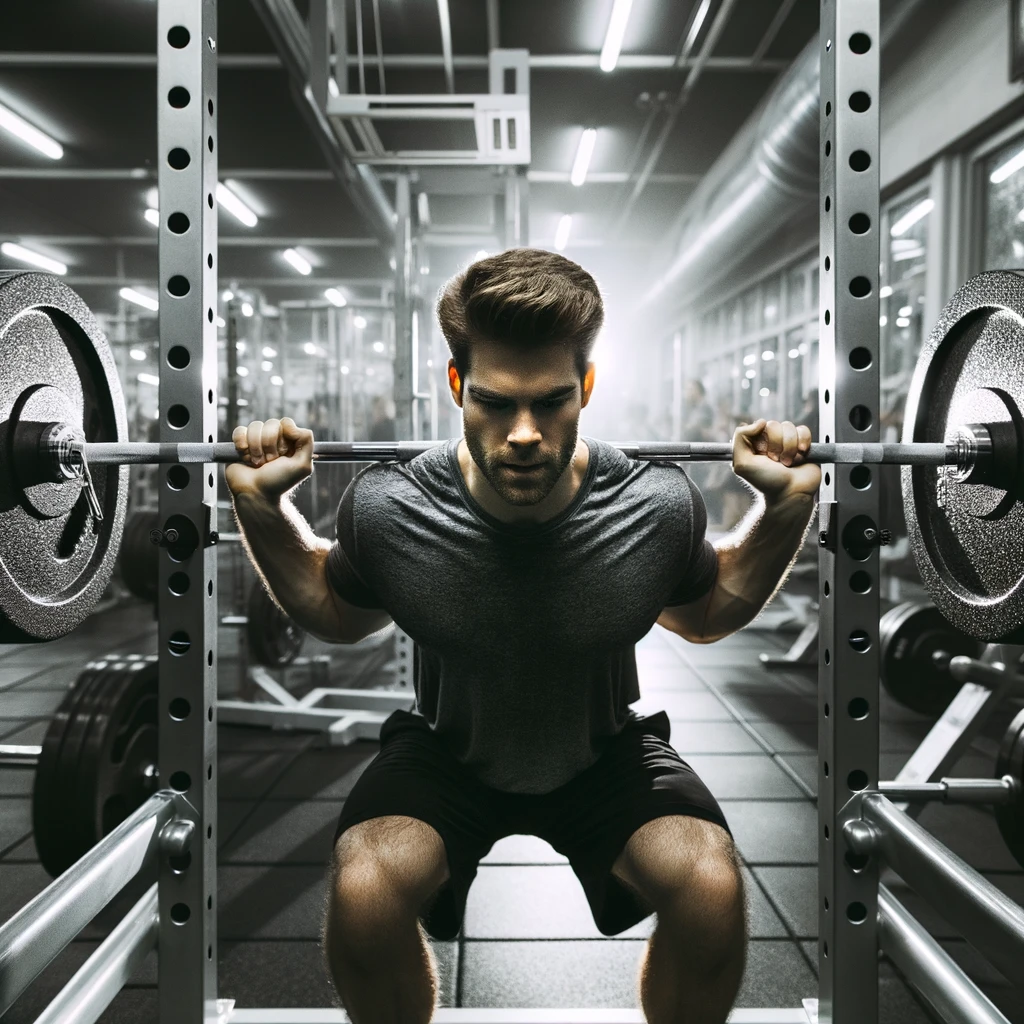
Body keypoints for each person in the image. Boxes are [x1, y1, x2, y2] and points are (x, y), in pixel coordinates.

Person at [225, 249, 820, 1024]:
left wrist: (787, 508)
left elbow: (706, 612)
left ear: (589, 388)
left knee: (708, 886)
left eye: (552, 401)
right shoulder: (391, 507)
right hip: (446, 753)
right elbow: (337, 611)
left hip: (603, 751)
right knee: (365, 890)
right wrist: (260, 508)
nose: (525, 434)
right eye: (496, 404)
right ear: (455, 387)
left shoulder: (654, 505)